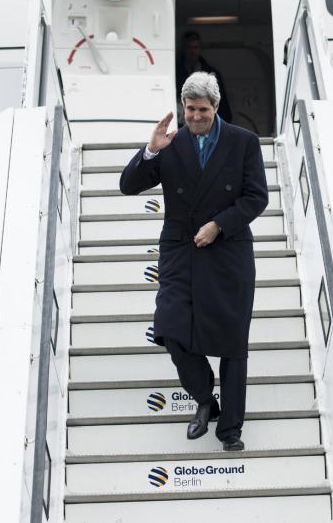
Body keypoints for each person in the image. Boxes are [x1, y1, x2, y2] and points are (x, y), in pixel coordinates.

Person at [119, 71, 268, 451]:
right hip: (181, 251)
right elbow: (128, 185)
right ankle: (205, 398)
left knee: (233, 344)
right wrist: (151, 150)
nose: (195, 116)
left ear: (216, 107)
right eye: (189, 109)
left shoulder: (243, 142)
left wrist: (219, 224)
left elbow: (256, 197)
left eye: (202, 109)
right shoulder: (171, 142)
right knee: (170, 329)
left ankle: (230, 430)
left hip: (227, 251)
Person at [176, 31, 232, 123]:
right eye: (189, 48)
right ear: (184, 49)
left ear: (200, 49)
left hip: (208, 126)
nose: (192, 51)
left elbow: (223, 106)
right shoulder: (175, 74)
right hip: (182, 126)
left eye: (195, 48)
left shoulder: (213, 75)